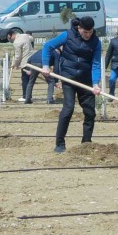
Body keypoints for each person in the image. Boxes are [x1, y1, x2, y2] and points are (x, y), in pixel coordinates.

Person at [44, 17, 101, 151]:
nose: (88, 35)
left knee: (90, 112)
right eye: (85, 32)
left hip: (85, 79)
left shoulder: (96, 42)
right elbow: (47, 46)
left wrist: (95, 83)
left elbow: (96, 63)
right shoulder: (67, 35)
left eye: (90, 32)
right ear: (79, 28)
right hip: (68, 77)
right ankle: (59, 143)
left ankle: (86, 143)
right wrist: (46, 66)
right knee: (68, 108)